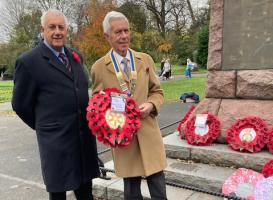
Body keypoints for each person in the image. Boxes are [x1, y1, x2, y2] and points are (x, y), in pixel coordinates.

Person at [12, 9, 100, 200]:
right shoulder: (28, 62)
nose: (57, 31)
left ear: (67, 30)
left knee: (85, 192)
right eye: (52, 27)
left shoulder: (76, 56)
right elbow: (20, 105)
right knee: (58, 194)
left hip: (82, 140)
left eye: (61, 27)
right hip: (56, 143)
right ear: (42, 30)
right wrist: (45, 125)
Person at [91, 11, 168, 200]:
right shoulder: (99, 68)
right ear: (107, 36)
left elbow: (157, 92)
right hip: (123, 139)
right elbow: (96, 106)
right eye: (118, 32)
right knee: (131, 191)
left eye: (126, 30)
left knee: (158, 185)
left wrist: (151, 104)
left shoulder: (145, 60)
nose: (124, 36)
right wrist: (111, 124)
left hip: (148, 132)